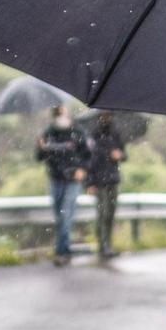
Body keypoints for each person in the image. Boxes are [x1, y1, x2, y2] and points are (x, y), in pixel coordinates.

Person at [37, 103, 88, 265]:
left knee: (66, 215)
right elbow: (40, 157)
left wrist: (82, 169)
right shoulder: (49, 133)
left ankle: (62, 252)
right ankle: (65, 249)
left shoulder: (78, 132)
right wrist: (42, 148)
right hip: (56, 179)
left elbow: (88, 154)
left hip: (73, 180)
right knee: (60, 217)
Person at [86, 111, 128, 260]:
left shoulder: (116, 134)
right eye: (104, 116)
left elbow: (124, 155)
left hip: (113, 179)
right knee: (102, 214)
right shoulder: (93, 136)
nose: (106, 118)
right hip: (99, 181)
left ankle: (108, 244)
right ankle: (103, 246)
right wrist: (90, 183)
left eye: (109, 116)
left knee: (110, 214)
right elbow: (89, 161)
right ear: (99, 117)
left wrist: (119, 155)